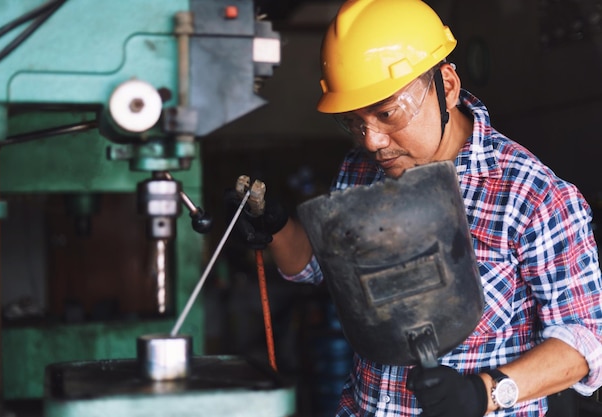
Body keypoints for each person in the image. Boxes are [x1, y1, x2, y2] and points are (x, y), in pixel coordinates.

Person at [225, 0, 602, 415]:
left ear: (448, 87)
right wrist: (278, 226)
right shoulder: (361, 170)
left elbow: (585, 342)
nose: (371, 140)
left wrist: (485, 393)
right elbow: (320, 269)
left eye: (387, 113)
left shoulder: (532, 196)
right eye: (354, 121)